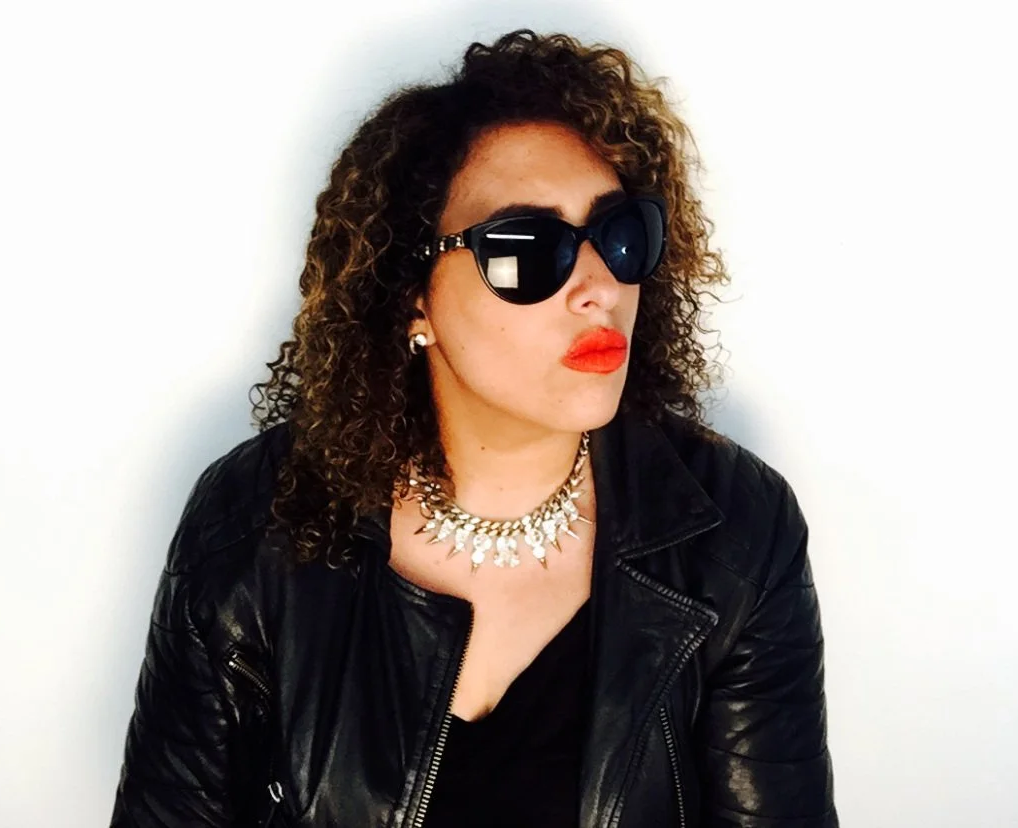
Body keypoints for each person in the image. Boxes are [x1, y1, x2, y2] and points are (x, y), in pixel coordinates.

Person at [109, 28, 837, 827]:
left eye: (620, 235)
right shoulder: (254, 517)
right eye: (526, 250)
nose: (598, 287)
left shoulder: (737, 533)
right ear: (411, 297)